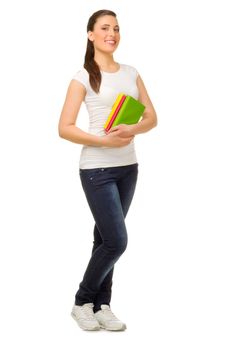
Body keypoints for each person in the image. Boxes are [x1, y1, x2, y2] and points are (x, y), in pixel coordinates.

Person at [58, 9, 157, 331]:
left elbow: (151, 118)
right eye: (104, 28)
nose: (111, 33)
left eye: (116, 28)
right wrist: (102, 141)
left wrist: (132, 129)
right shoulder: (83, 76)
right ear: (91, 34)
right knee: (116, 241)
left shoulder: (131, 72)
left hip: (128, 167)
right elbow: (65, 127)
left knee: (103, 239)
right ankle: (81, 301)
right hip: (97, 169)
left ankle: (102, 305)